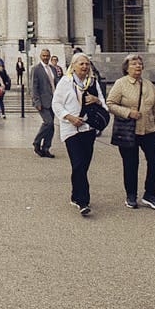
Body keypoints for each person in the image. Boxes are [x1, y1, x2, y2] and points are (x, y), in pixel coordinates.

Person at [107, 53, 155, 210]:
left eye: (140, 63)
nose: (138, 66)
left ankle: (150, 194)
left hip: (149, 130)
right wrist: (127, 112)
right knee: (131, 164)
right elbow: (110, 103)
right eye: (133, 64)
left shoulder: (148, 85)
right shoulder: (121, 84)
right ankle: (131, 195)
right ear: (126, 68)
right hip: (129, 130)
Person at [52, 52, 107, 215]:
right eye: (81, 64)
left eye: (87, 64)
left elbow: (104, 103)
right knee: (78, 164)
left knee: (83, 165)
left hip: (88, 129)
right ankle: (84, 202)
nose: (84, 67)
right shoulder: (65, 82)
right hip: (71, 129)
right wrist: (69, 117)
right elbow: (56, 103)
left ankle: (75, 196)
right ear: (73, 66)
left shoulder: (93, 83)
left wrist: (96, 100)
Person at [31, 48, 58, 158]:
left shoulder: (53, 68)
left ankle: (46, 148)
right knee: (48, 122)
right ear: (40, 56)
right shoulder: (36, 69)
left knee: (51, 127)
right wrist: (36, 101)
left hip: (54, 101)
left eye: (47, 56)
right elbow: (34, 86)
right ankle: (37, 142)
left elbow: (56, 83)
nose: (46, 58)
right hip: (42, 101)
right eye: (44, 56)